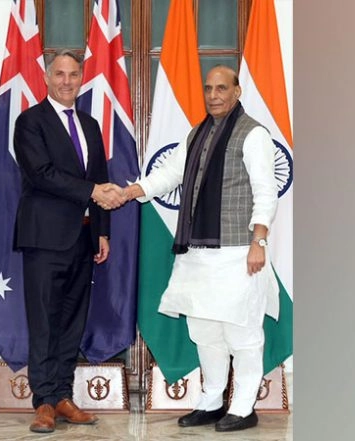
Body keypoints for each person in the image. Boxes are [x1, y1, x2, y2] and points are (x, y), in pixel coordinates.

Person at [124, 65, 279, 432]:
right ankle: (211, 401)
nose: (214, 95)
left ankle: (243, 407)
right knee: (205, 332)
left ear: (237, 92)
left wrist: (259, 242)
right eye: (208, 88)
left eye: (222, 88)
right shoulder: (196, 133)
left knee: (241, 333)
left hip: (239, 252)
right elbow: (169, 175)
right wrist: (131, 191)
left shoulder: (254, 134)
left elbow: (265, 191)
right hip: (198, 253)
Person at [13, 49, 124, 434]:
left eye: (73, 74)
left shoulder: (90, 125)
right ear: (46, 77)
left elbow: (100, 176)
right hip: (45, 239)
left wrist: (102, 230)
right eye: (59, 74)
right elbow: (41, 173)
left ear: (81, 78)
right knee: (44, 321)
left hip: (83, 237)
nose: (66, 81)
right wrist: (92, 191)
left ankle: (62, 395)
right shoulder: (30, 122)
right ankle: (43, 401)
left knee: (72, 322)